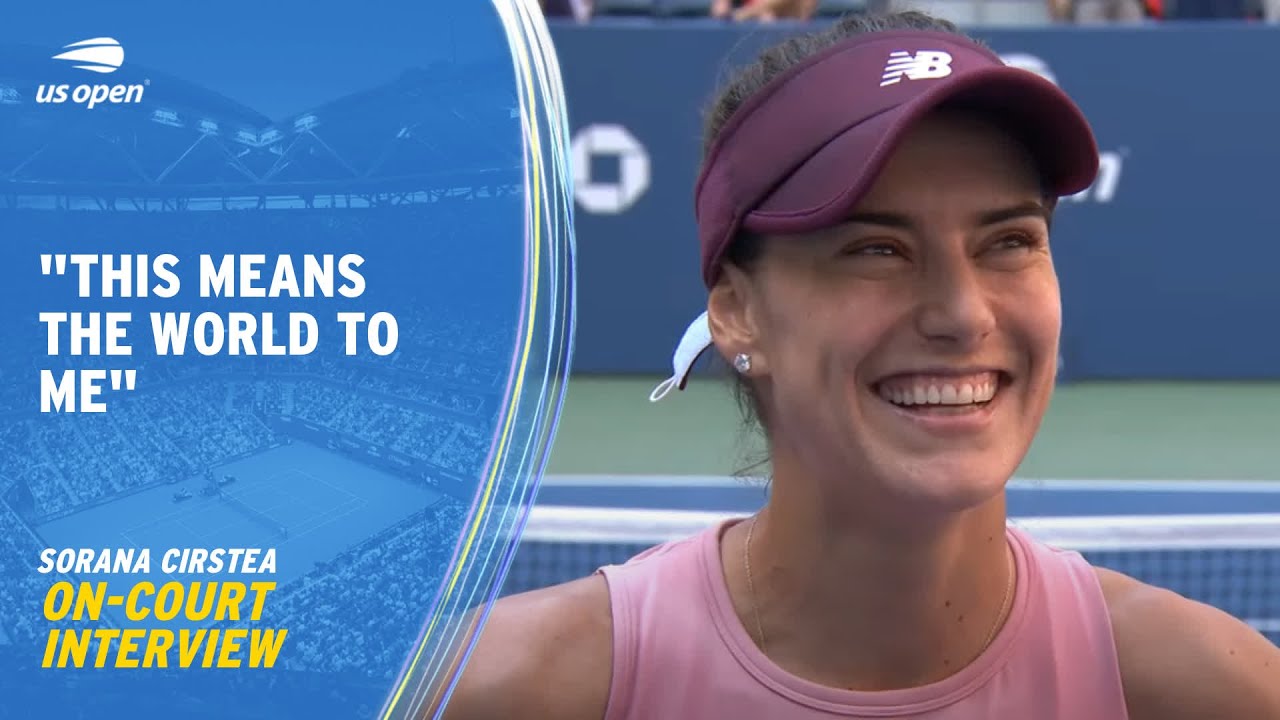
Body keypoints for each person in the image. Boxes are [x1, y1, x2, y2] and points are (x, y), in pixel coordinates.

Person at [440, 11, 1280, 720]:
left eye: (1009, 242)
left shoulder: (1211, 689)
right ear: (737, 311)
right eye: (876, 248)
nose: (962, 313)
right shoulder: (506, 690)